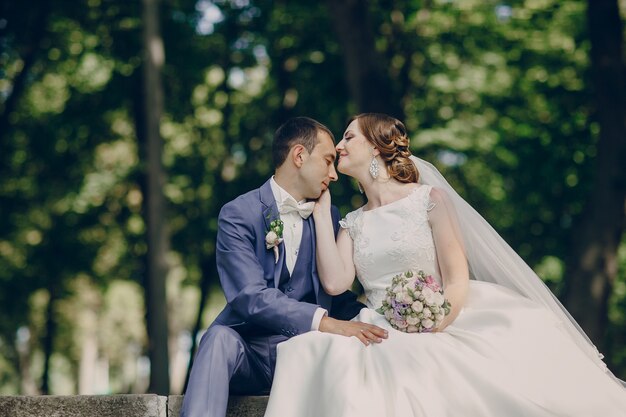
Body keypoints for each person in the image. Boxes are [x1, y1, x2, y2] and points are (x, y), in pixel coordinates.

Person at [263, 113, 626, 417]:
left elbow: (455, 278)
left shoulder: (428, 200)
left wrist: (435, 324)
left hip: (442, 317)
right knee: (319, 353)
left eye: (347, 137)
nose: (338, 147)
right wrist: (324, 214)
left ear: (375, 146)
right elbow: (335, 283)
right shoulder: (353, 222)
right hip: (381, 323)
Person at [180, 117, 388, 417]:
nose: (334, 174)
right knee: (217, 339)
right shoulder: (239, 213)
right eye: (328, 161)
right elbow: (247, 296)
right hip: (248, 356)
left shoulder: (329, 217)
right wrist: (325, 322)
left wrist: (384, 319)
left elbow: (336, 295)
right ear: (299, 156)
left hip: (309, 357)